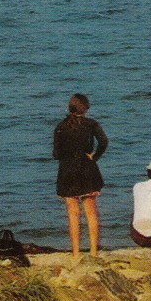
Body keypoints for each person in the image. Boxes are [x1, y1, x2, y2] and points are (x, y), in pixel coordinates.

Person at [53, 94, 108, 257]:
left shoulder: (61, 126)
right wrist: (95, 156)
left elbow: (56, 153)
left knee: (72, 214)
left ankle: (75, 253)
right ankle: (93, 251)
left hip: (67, 169)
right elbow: (104, 142)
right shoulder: (91, 124)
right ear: (86, 108)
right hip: (87, 168)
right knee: (91, 212)